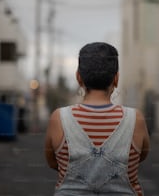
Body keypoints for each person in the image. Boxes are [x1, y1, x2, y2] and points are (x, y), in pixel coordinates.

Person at [45, 42, 150, 196]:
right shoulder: (136, 119)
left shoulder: (59, 118)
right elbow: (141, 156)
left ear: (78, 77)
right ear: (116, 79)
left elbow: (53, 162)